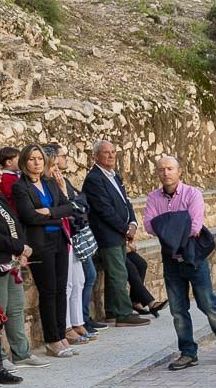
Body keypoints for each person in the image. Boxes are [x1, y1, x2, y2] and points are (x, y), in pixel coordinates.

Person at [144, 155, 216, 370]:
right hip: (171, 260)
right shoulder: (153, 197)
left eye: (170, 168)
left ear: (179, 171)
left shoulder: (193, 194)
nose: (165, 173)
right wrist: (179, 221)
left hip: (194, 258)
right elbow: (148, 225)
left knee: (207, 304)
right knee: (178, 309)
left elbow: (195, 226)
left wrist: (166, 226)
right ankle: (188, 352)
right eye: (161, 169)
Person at [12, 145, 79, 358]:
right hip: (40, 244)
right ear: (25, 162)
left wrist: (50, 212)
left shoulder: (50, 182)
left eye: (40, 158)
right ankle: (52, 340)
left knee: (61, 290)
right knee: (48, 291)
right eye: (32, 159)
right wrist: (57, 215)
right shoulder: (20, 187)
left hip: (59, 239)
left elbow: (69, 207)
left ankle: (61, 335)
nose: (37, 162)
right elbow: (29, 217)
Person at [82, 139, 150, 327]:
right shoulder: (94, 179)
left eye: (113, 152)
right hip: (107, 234)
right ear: (96, 156)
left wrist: (133, 223)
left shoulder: (114, 176)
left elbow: (125, 202)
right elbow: (104, 209)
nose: (111, 155)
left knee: (116, 273)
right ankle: (122, 313)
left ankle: (112, 311)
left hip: (119, 232)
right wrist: (124, 228)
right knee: (118, 273)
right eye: (106, 152)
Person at [0, 162, 45, 372]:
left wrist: (21, 250)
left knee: (16, 308)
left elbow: (15, 225)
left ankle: (22, 352)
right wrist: (20, 247)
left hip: (12, 262)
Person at [44, 144, 95, 345]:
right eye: (54, 164)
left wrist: (68, 198)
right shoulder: (48, 184)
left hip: (71, 234)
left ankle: (77, 322)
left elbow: (80, 204)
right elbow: (67, 207)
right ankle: (65, 326)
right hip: (61, 235)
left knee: (79, 280)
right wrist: (68, 202)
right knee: (66, 285)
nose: (57, 169)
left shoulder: (62, 182)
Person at [0, 147, 20, 211]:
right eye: (18, 160)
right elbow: (10, 194)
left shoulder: (15, 175)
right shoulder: (5, 178)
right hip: (14, 210)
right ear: (9, 162)